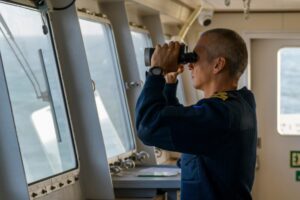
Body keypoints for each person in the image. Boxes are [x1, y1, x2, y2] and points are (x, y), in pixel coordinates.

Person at [135, 28, 257, 200]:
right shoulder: (239, 104)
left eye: (195, 58)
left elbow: (148, 127)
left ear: (218, 65)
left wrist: (157, 71)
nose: (189, 65)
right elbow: (185, 123)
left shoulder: (221, 114)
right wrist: (169, 83)